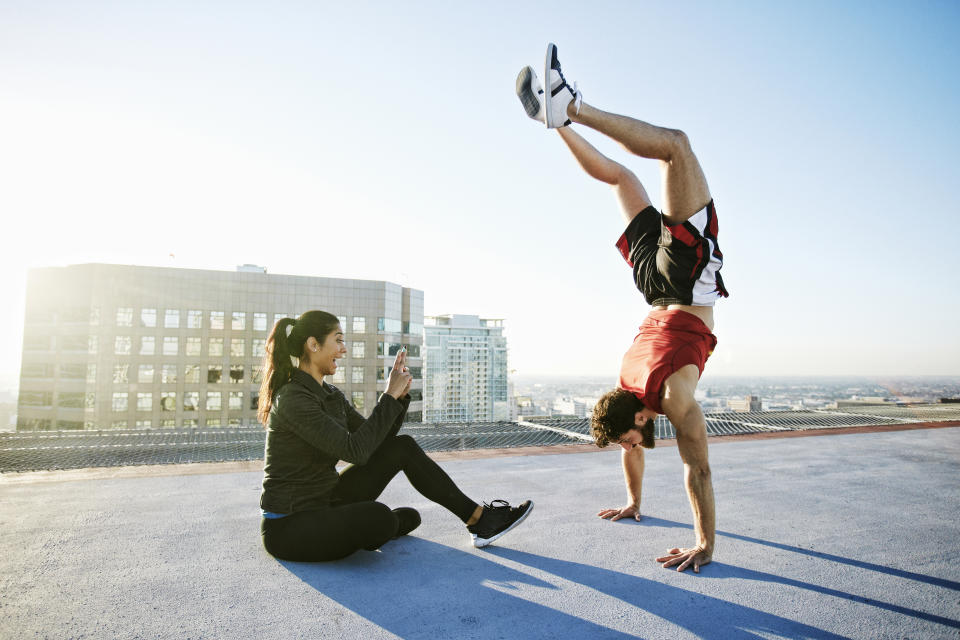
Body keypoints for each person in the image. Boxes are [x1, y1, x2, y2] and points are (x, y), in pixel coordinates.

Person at [516, 44, 728, 573]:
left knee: (676, 148)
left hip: (683, 282)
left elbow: (697, 471)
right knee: (622, 180)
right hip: (651, 286)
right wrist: (634, 504)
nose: (634, 445)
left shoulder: (672, 399)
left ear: (638, 415)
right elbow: (630, 447)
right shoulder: (625, 387)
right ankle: (556, 123)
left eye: (632, 435)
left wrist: (705, 543)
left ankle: (571, 108)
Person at [258, 310, 533, 561]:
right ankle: (384, 524)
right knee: (378, 518)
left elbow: (375, 441)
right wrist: (387, 397)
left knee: (402, 447)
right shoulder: (293, 398)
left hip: (326, 499)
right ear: (313, 344)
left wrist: (397, 398)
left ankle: (478, 520)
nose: (343, 350)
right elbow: (355, 451)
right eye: (338, 340)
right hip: (290, 525)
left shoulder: (331, 395)